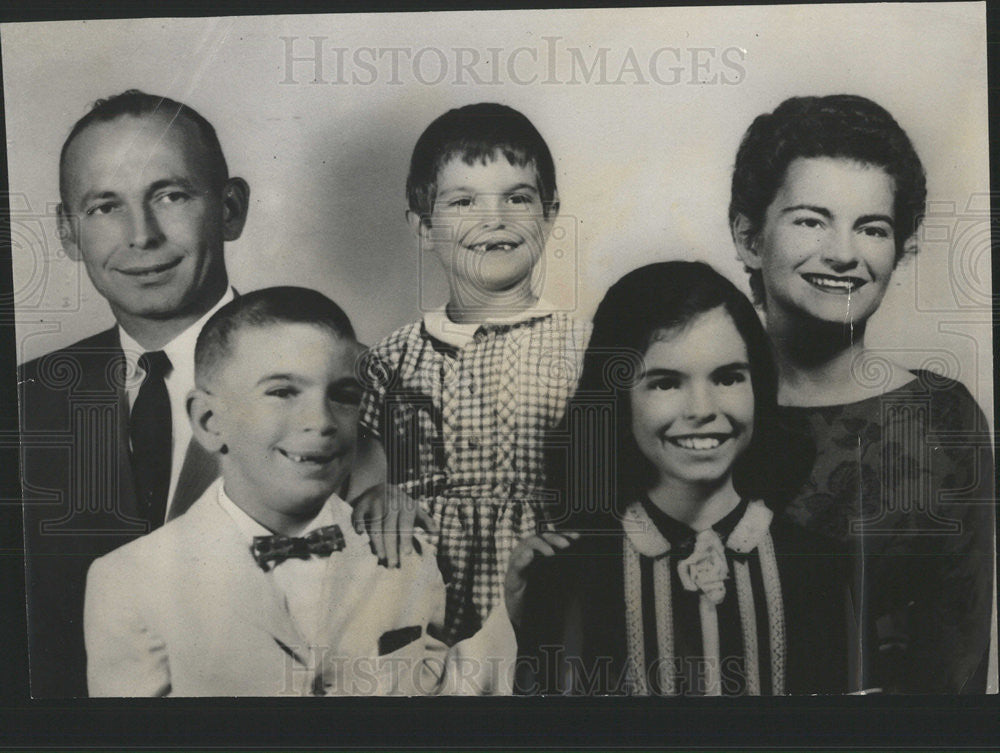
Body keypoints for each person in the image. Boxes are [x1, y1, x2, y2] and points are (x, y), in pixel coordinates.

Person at [83, 287, 516, 696]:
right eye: (283, 392)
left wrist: (513, 610)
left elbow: (438, 702)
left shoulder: (406, 553)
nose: (322, 420)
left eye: (344, 395)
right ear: (210, 422)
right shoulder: (128, 580)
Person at [728, 94, 995, 693]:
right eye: (810, 219)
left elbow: (958, 670)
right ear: (749, 237)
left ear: (899, 248)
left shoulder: (944, 419)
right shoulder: (690, 417)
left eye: (872, 228)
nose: (844, 253)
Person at [504, 261, 835, 695]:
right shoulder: (565, 576)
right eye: (665, 384)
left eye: (728, 377)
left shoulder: (824, 571)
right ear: (618, 399)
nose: (702, 409)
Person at [18, 90, 250, 697]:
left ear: (230, 209)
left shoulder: (349, 384)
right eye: (104, 207)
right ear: (68, 234)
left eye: (170, 195)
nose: (141, 236)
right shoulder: (19, 405)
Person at [359, 103, 591, 645]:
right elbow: (358, 482)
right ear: (423, 226)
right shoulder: (388, 360)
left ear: (549, 214)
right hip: (414, 600)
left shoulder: (583, 349)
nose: (496, 219)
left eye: (518, 198)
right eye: (464, 202)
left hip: (544, 593)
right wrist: (380, 495)